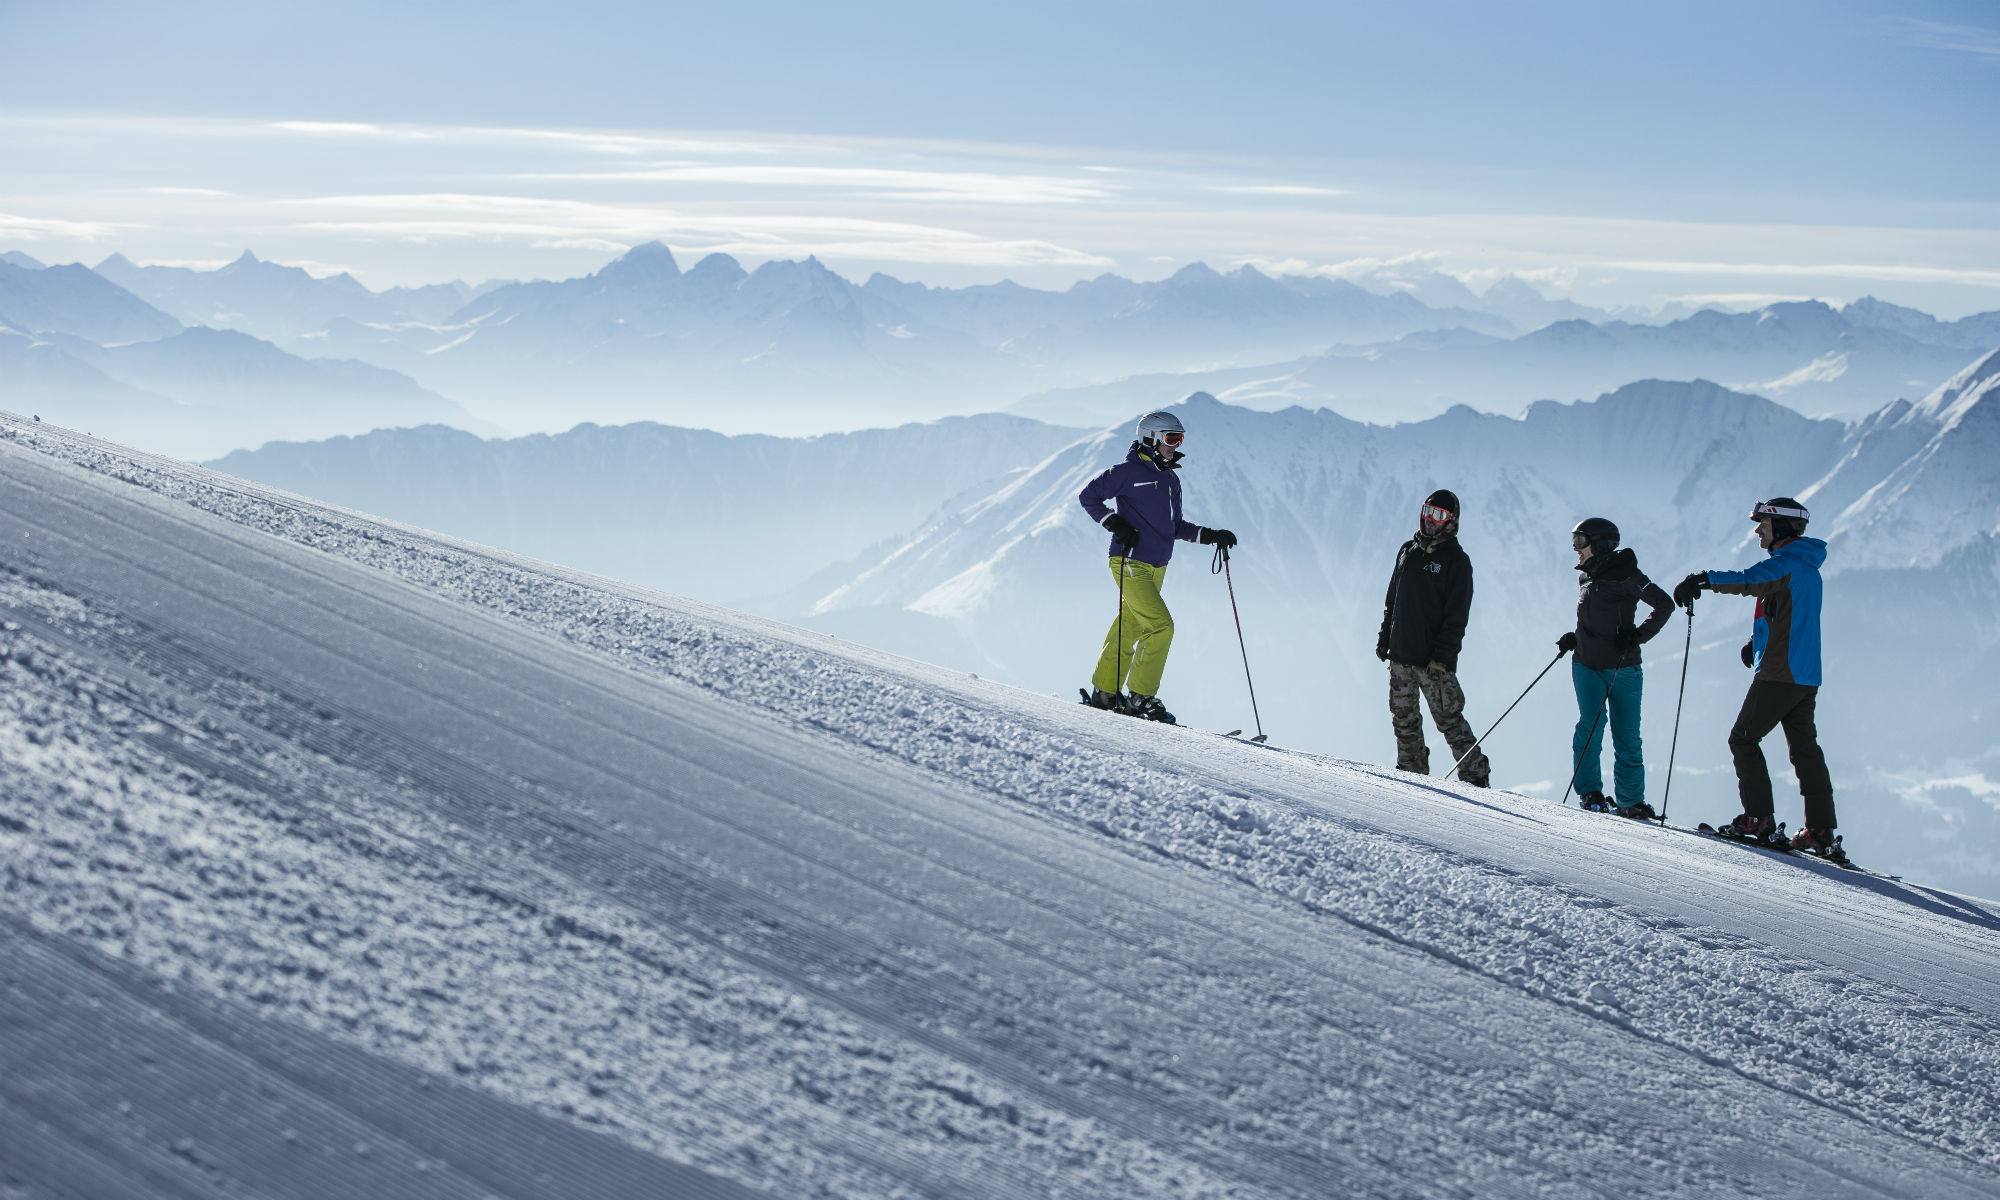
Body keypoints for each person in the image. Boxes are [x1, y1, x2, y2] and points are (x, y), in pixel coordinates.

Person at [1672, 498, 1836, 852]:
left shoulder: (1787, 564)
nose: (1758, 529)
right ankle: (1820, 830)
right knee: (1805, 750)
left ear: (1783, 527)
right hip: (1805, 675)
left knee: (1742, 739)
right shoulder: (1807, 567)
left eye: (1763, 522)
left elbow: (1750, 581)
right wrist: (1756, 640)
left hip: (1780, 672)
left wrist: (1702, 580)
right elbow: (1788, 612)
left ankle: (1758, 817)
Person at [1077, 410, 1237, 723]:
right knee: (1161, 625)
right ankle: (1139, 698)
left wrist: (1211, 536)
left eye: (1179, 439)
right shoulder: (1126, 472)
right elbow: (1089, 496)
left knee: (1130, 626)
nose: (1175, 446)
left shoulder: (1171, 480)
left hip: (1157, 566)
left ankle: (1105, 694)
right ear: (1150, 438)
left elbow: (1175, 526)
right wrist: (1113, 522)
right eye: (1170, 438)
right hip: (1129, 561)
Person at [1558, 517, 1673, 818]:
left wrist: (1638, 636)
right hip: (1585, 664)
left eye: (1580, 542)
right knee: (1591, 724)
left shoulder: (1628, 575)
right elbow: (1594, 615)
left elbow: (1664, 605)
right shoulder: (1586, 575)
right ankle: (1590, 792)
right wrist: (1576, 635)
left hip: (1623, 668)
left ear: (1601, 543)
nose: (1575, 549)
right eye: (1575, 541)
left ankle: (1630, 801)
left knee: (1627, 736)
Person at [1376, 489, 1489, 786]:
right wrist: (1384, 637)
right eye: (1427, 511)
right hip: (1401, 655)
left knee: (1449, 720)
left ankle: (1475, 775)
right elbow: (1393, 599)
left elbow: (1457, 616)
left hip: (1432, 662)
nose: (1430, 519)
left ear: (1451, 521)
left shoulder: (1456, 561)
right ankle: (1412, 773)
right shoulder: (1407, 551)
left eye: (1438, 515)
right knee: (1404, 719)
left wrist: (1442, 656)